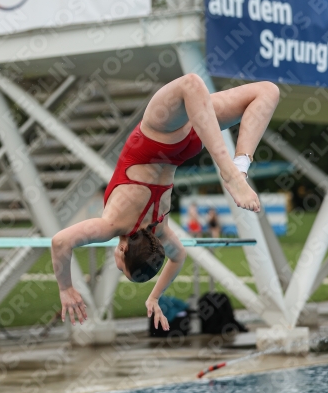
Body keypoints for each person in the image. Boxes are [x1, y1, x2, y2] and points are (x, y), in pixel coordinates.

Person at [51, 74, 280, 331]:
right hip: (158, 135)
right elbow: (60, 242)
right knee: (191, 84)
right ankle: (232, 172)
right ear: (124, 251)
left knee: (267, 92)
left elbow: (178, 257)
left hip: (187, 144)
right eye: (121, 269)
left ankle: (241, 165)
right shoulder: (111, 225)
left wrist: (155, 296)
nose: (117, 267)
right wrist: (66, 288)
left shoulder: (160, 231)